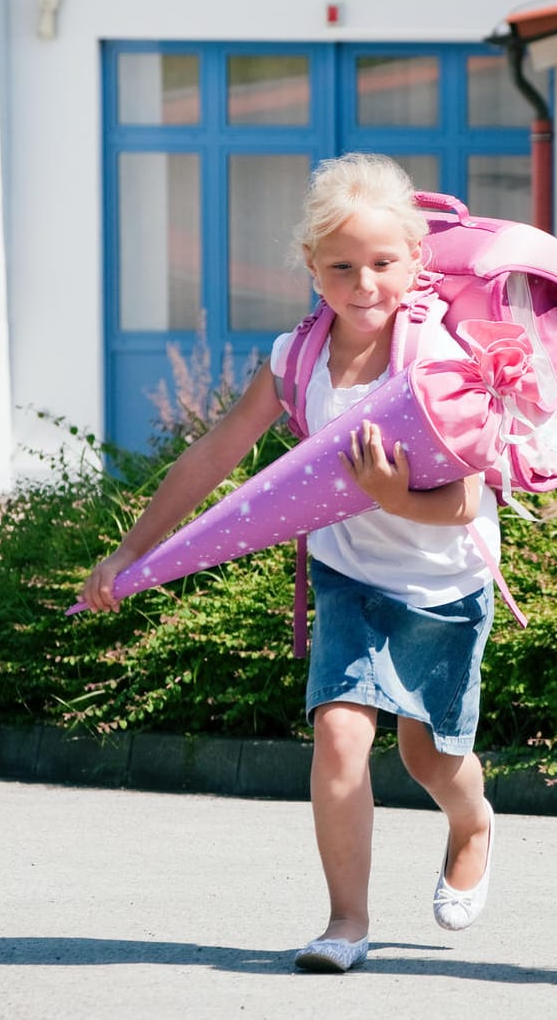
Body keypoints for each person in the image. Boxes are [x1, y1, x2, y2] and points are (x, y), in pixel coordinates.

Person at [81, 153, 500, 974]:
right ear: (311, 267)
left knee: (430, 757)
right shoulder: (294, 359)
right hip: (350, 577)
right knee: (340, 733)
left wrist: (389, 494)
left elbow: (460, 505)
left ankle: (473, 822)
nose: (364, 282)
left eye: (383, 263)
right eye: (341, 265)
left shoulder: (442, 358)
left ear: (417, 261)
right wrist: (134, 548)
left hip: (444, 579)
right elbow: (213, 455)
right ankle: (346, 922)